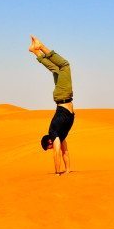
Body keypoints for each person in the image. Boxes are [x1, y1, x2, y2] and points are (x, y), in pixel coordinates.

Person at [29, 35, 75, 175]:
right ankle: (35, 51)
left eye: (50, 146)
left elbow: (56, 154)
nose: (53, 146)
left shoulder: (54, 134)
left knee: (64, 65)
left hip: (63, 97)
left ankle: (40, 46)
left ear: (49, 142)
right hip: (62, 98)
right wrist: (66, 170)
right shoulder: (60, 136)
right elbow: (65, 152)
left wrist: (57, 173)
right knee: (56, 69)